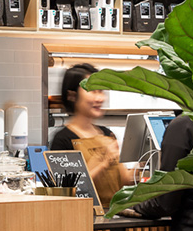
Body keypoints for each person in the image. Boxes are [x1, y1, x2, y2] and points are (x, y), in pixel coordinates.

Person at [49, 62, 132, 190]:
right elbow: (69, 190)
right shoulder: (63, 139)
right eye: (92, 91)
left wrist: (143, 164)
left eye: (101, 91)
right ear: (72, 95)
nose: (100, 98)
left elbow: (125, 180)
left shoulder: (107, 134)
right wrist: (103, 163)